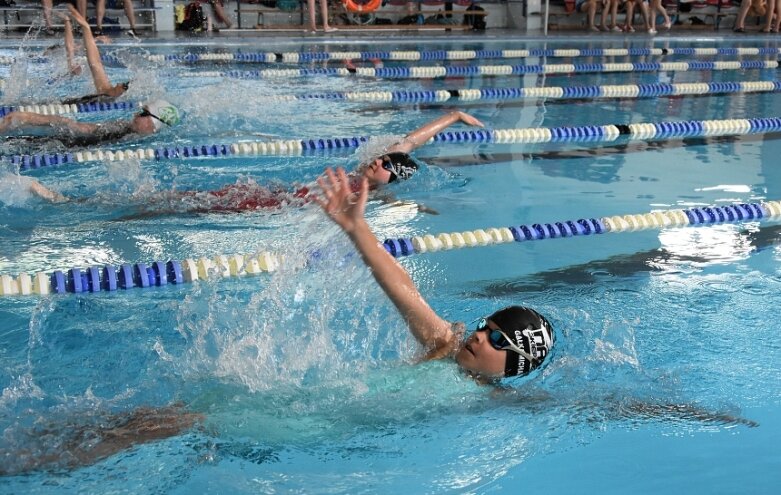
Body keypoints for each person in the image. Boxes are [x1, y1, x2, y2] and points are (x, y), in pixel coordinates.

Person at [314, 166, 555, 380]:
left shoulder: (496, 403)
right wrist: (357, 228)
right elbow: (404, 290)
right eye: (484, 326)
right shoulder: (446, 345)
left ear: (514, 366)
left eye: (497, 340)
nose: (479, 336)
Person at [0, 99, 181, 147]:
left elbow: (76, 126)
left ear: (154, 123)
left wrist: (22, 117)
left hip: (62, 146)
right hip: (59, 144)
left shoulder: (125, 133)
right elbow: (80, 127)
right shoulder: (122, 129)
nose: (136, 114)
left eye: (143, 113)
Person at [61, 4, 131, 105]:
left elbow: (93, 61)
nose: (119, 83)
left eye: (124, 86)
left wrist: (83, 26)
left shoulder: (105, 91)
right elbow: (94, 62)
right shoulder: (105, 90)